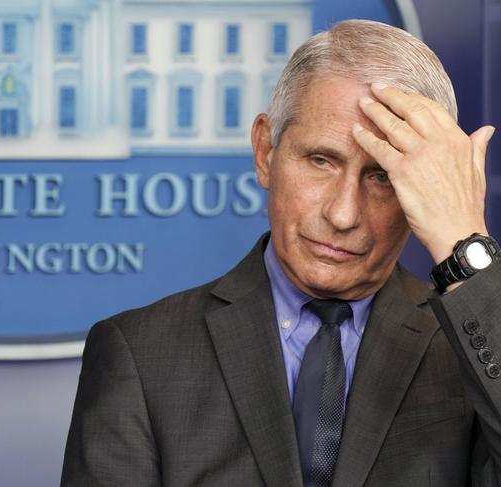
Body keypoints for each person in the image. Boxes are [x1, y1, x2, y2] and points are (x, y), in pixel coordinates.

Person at [61, 19, 501, 486]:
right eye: (320, 161)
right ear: (264, 151)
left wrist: (464, 241)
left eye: (383, 177)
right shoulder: (140, 354)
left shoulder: (470, 350)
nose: (343, 214)